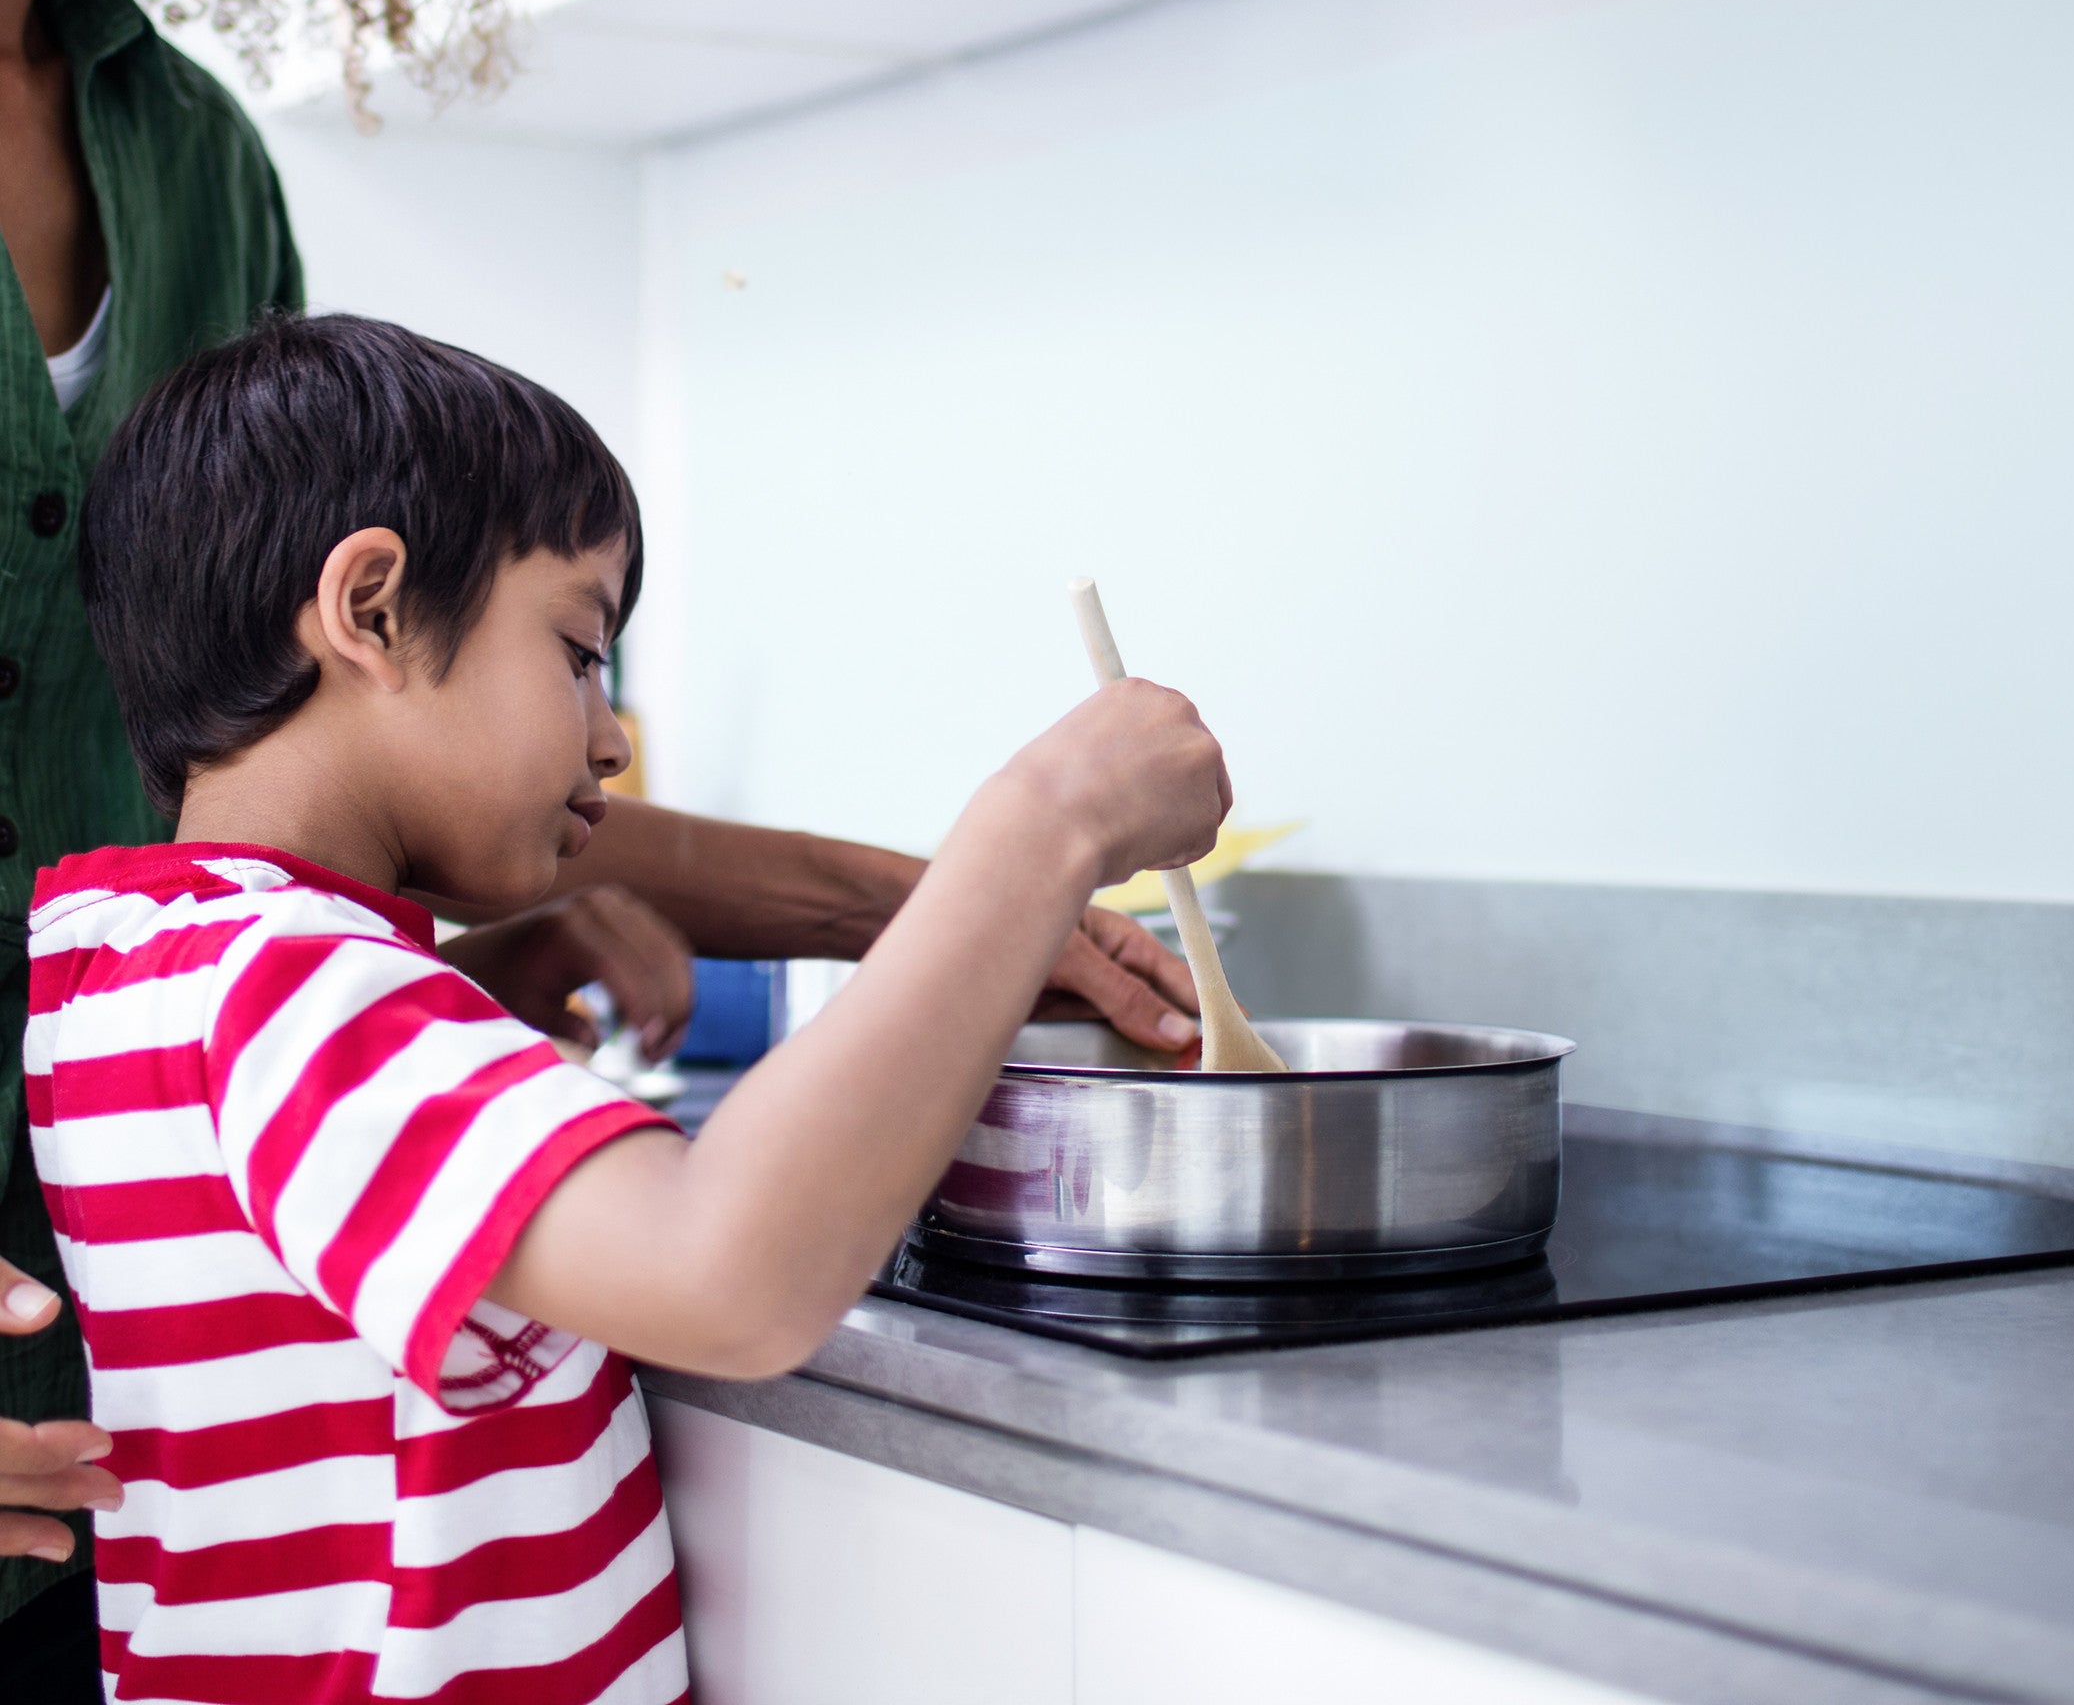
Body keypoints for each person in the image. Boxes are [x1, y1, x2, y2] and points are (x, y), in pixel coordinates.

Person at [0, 0, 1200, 1687]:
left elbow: (292, 751)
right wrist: (1016, 849)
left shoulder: (191, 168)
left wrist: (936, 913)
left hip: (107, 1430)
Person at [30, 312, 1228, 1703]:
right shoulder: (293, 989)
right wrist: (1043, 824)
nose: (607, 736)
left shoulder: (127, 958)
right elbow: (728, 1277)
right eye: (578, 650)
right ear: (371, 609)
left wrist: (465, 989)